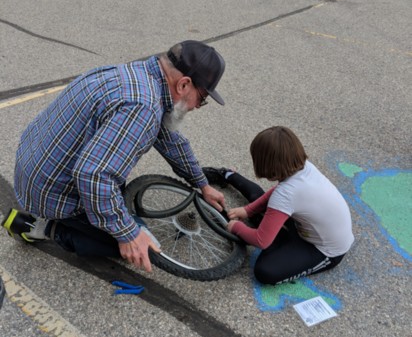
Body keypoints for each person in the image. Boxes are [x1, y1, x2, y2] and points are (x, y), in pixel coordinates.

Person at [2, 40, 227, 274]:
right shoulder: (143, 106)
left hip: (37, 160)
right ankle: (40, 225)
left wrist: (202, 183)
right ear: (184, 84)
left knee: (120, 213)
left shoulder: (140, 74)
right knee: (132, 244)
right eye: (202, 98)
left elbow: (170, 140)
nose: (199, 106)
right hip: (48, 192)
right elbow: (93, 174)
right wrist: (127, 234)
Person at [204, 126, 354, 285]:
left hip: (326, 251)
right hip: (307, 227)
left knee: (265, 271)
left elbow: (261, 241)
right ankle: (228, 174)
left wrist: (236, 228)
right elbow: (277, 194)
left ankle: (279, 238)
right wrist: (248, 210)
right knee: (260, 203)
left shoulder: (287, 194)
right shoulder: (303, 167)